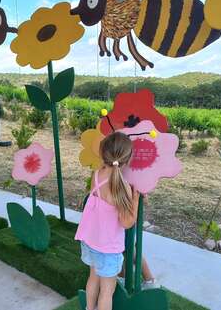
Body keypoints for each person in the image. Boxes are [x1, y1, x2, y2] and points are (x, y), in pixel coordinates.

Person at [75, 132, 139, 310]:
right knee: (107, 291)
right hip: (108, 249)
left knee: (93, 278)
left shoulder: (97, 174)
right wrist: (135, 201)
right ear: (127, 159)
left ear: (104, 154)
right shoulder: (122, 186)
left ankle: (89, 308)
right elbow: (127, 223)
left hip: (90, 242)